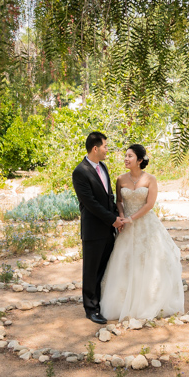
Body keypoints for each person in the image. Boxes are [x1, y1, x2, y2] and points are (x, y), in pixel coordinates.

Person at [100, 144, 184, 321]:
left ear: (139, 160)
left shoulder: (150, 179)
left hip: (146, 224)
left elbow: (149, 204)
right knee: (125, 260)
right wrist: (122, 217)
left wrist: (132, 218)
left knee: (149, 260)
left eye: (130, 156)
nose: (126, 159)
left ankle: (148, 300)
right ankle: (123, 301)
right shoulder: (120, 179)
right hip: (126, 225)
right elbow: (120, 201)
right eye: (125, 155)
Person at [72, 132, 127, 325]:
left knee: (104, 269)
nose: (107, 149)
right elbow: (91, 203)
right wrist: (113, 219)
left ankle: (102, 303)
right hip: (93, 230)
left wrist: (117, 217)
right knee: (91, 271)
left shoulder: (103, 166)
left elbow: (108, 196)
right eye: (105, 146)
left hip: (108, 228)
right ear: (95, 148)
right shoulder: (80, 171)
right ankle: (91, 309)